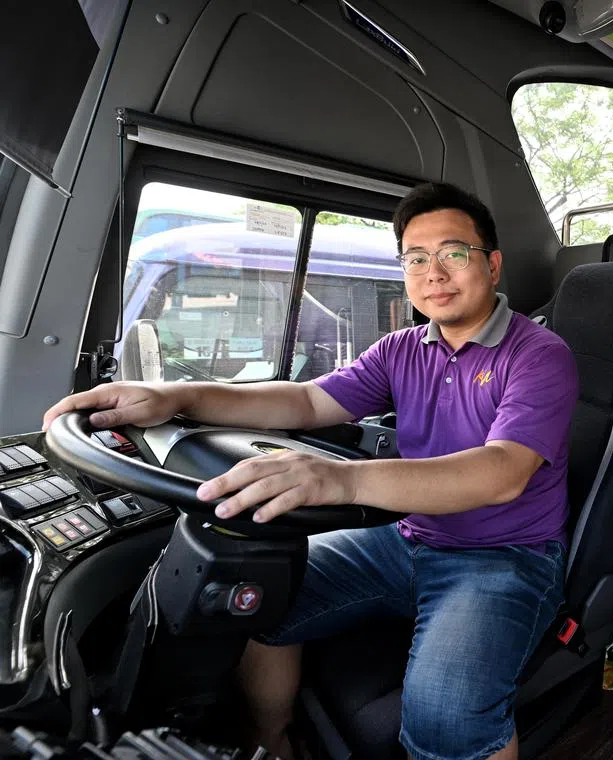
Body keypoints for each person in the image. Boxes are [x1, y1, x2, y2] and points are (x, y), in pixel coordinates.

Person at [42, 182, 579, 760]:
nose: (434, 272)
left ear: (492, 264)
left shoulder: (538, 354)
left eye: (453, 253)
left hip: (504, 558)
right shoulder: (402, 348)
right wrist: (176, 396)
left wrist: (340, 478)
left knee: (446, 718)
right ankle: (273, 744)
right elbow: (305, 402)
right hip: (405, 538)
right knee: (257, 592)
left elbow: (502, 472)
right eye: (416, 258)